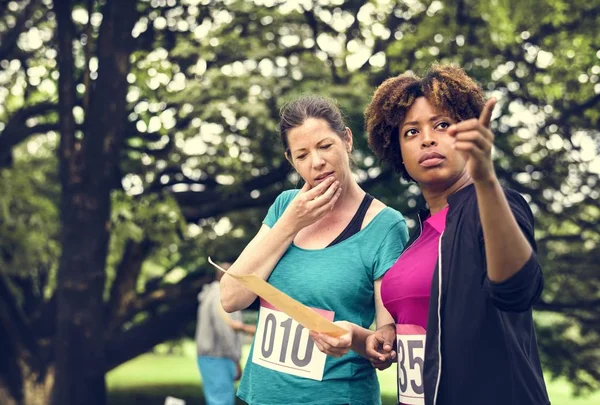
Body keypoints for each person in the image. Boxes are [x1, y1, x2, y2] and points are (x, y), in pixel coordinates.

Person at [363, 64, 550, 405]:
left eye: (442, 124)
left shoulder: (494, 205)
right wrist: (377, 337)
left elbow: (517, 291)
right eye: (411, 132)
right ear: (397, 152)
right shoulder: (417, 236)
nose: (428, 138)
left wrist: (487, 181)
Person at [219, 96, 409, 405]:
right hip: (260, 396)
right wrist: (290, 222)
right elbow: (231, 297)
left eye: (324, 146)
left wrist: (355, 337)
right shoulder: (285, 206)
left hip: (335, 397)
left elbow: (385, 340)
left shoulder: (386, 225)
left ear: (346, 140)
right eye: (302, 155)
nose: (316, 162)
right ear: (291, 160)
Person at [196, 266, 255, 405]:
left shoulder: (212, 294)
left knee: (217, 399)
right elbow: (224, 331)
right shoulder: (220, 297)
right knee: (221, 401)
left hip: (212, 357)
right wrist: (235, 359)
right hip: (219, 357)